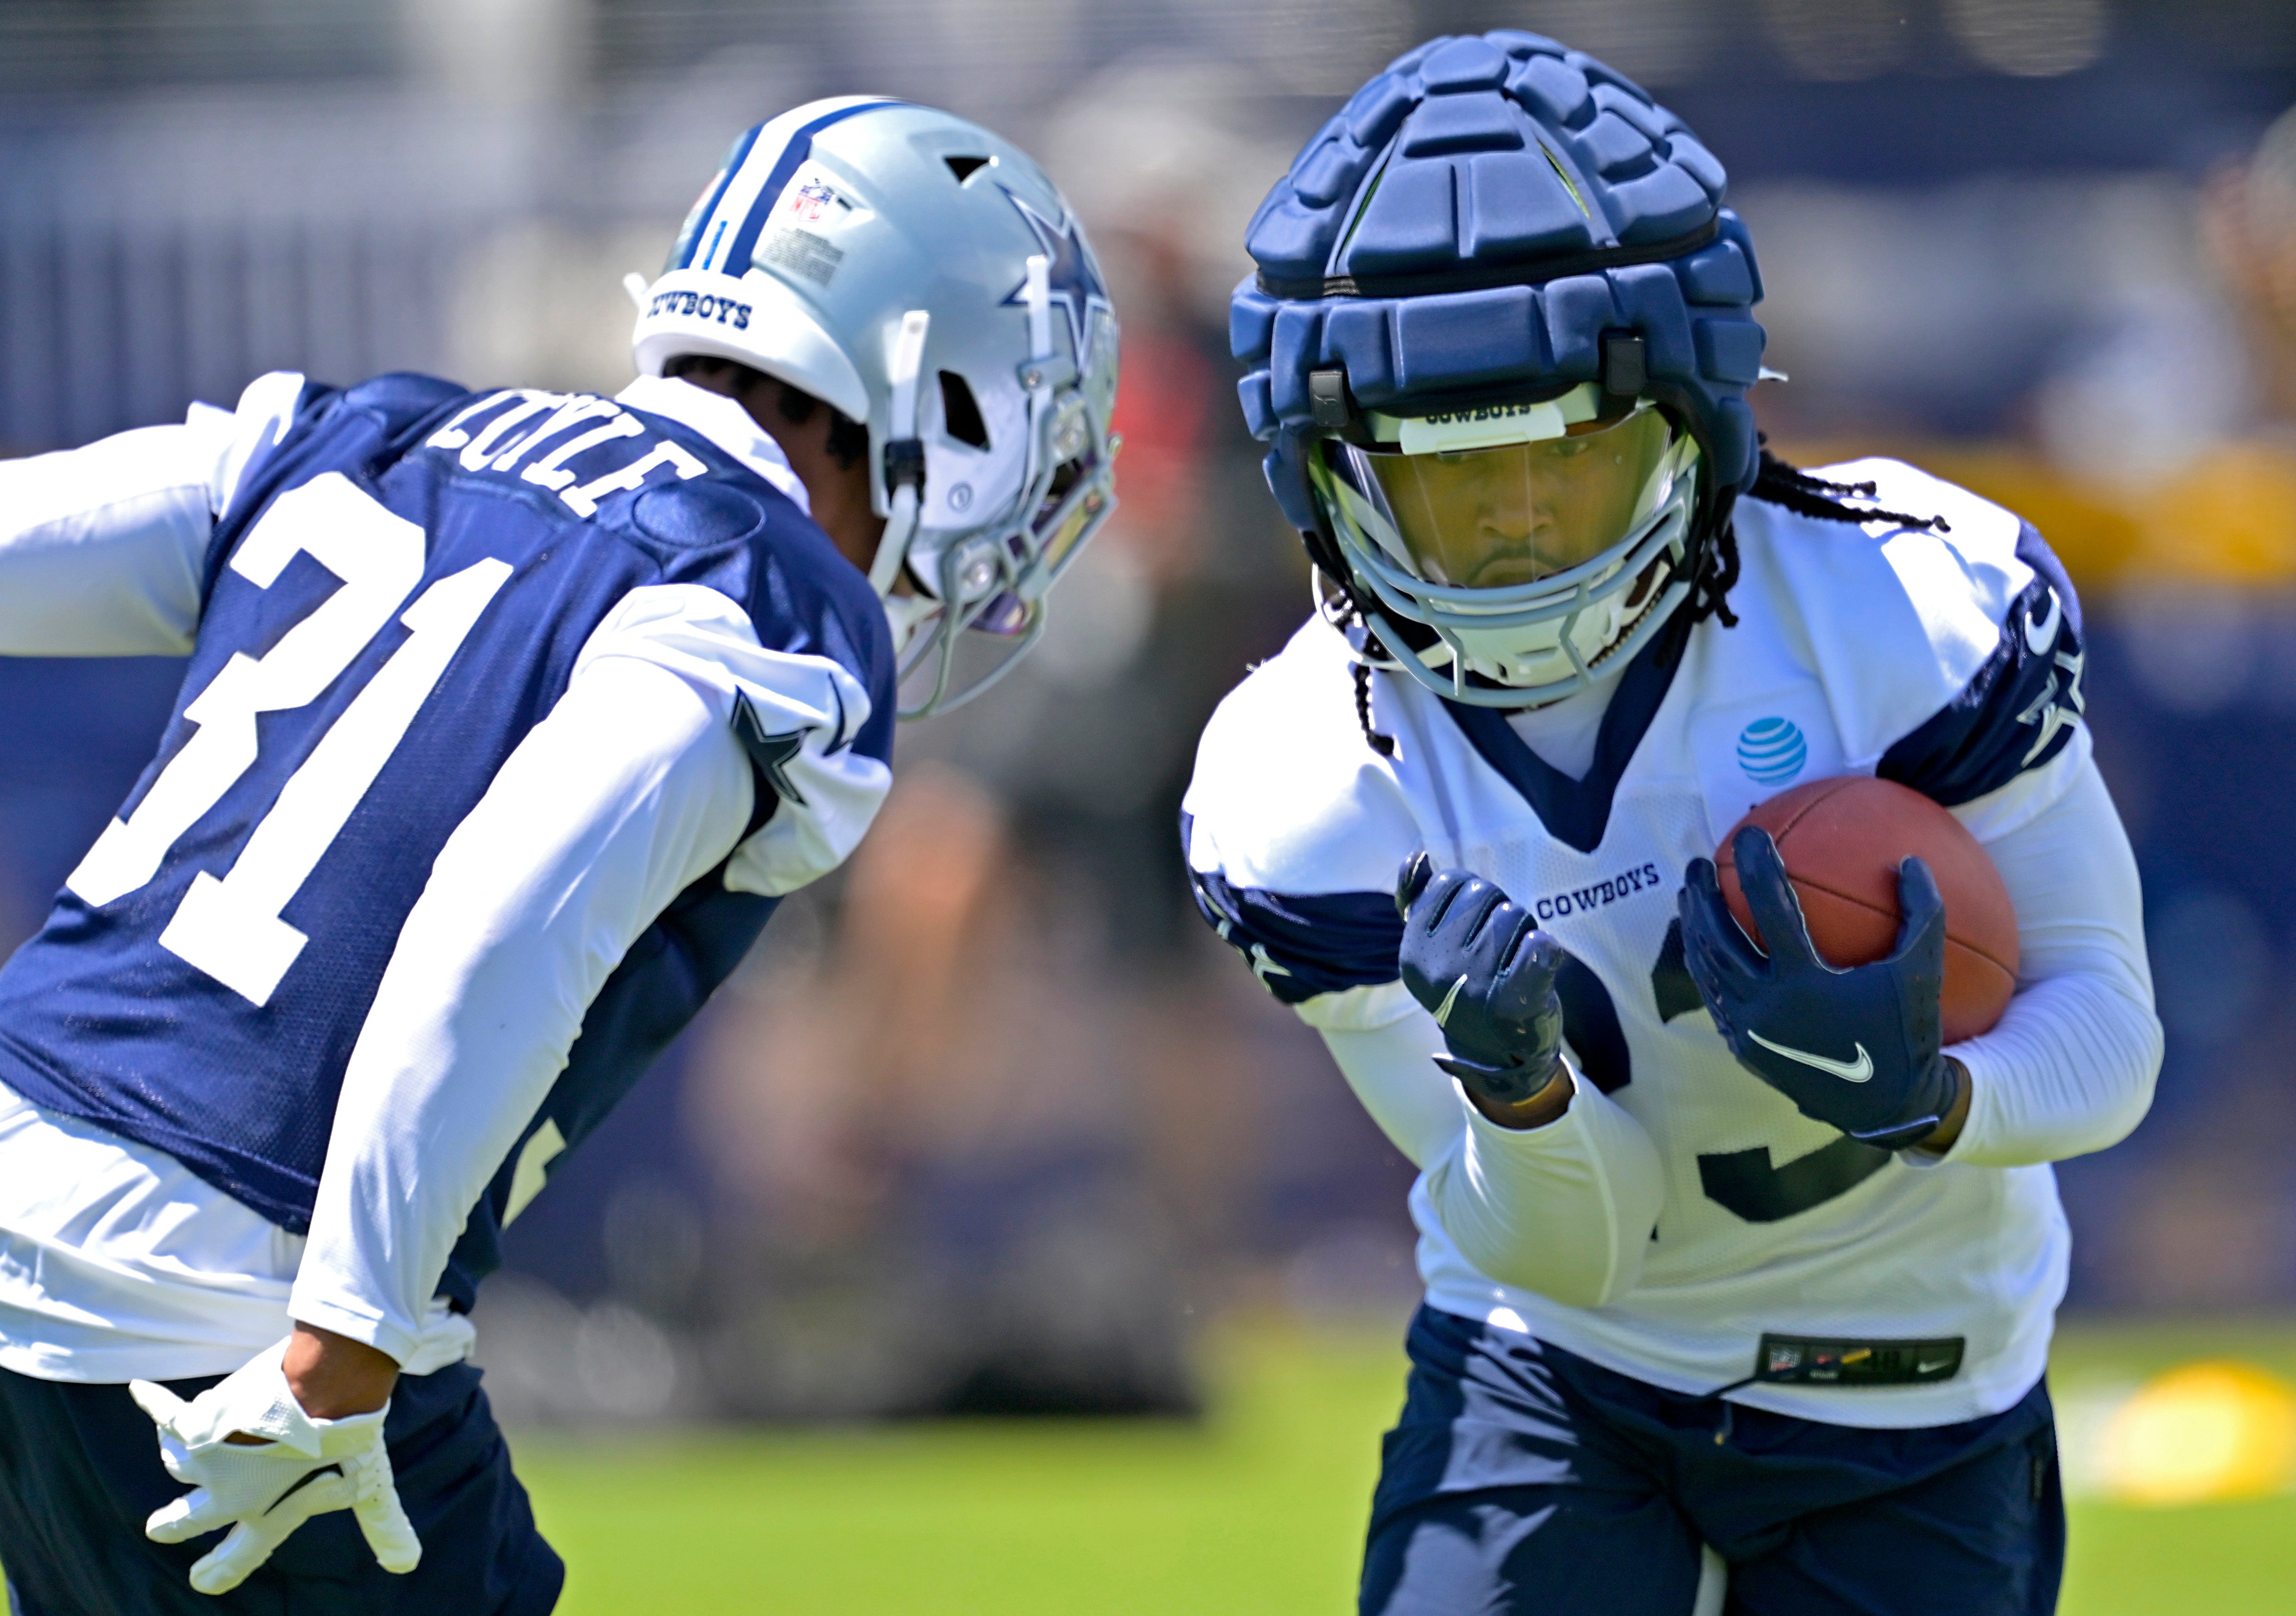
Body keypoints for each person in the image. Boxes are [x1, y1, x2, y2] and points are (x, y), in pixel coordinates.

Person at [0, 95, 1117, 1615]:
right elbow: (505, 910)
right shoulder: (762, 597)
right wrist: (350, 1336)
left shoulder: (385, 432)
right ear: (934, 377)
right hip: (224, 1283)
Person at [1183, 33, 2159, 1615]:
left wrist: (1931, 1096)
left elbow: (2112, 1032)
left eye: (1563, 456)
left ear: (1687, 413)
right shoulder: (1301, 786)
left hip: (1913, 1386)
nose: (1509, 524)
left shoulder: (1905, 611)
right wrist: (1518, 1097)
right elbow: (1577, 1254)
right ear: (1328, 472)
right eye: (1453, 478)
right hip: (1564, 1368)